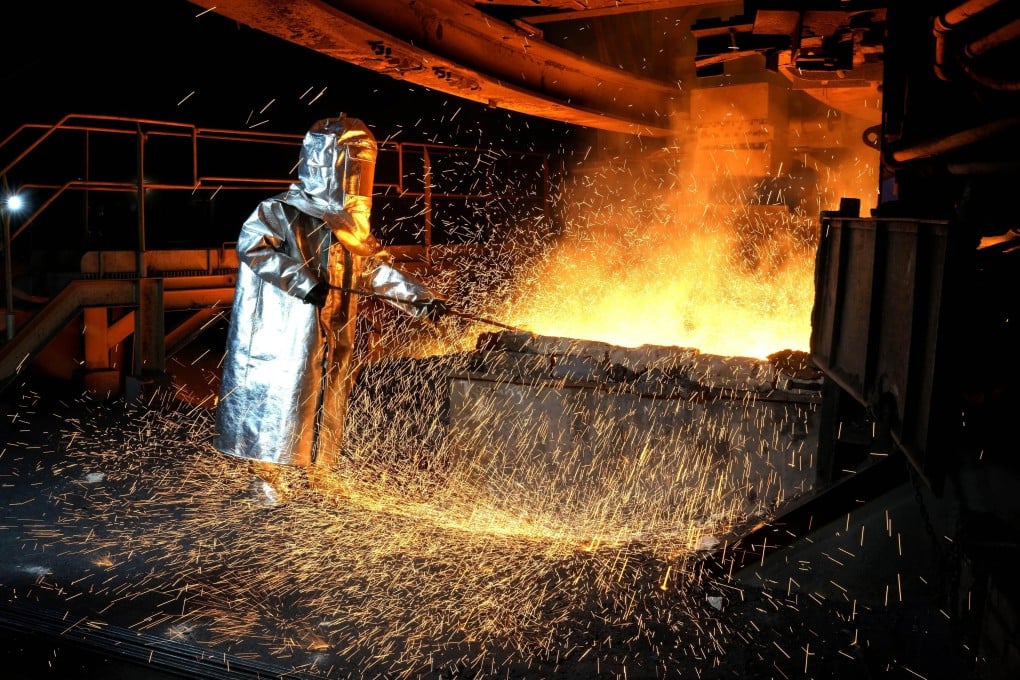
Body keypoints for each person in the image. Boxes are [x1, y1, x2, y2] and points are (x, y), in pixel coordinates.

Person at [215, 115, 448, 508]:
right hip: (283, 335)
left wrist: (420, 300)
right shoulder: (280, 211)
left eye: (363, 170)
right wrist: (304, 282)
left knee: (324, 399)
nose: (356, 181)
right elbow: (253, 248)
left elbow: (373, 271)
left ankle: (318, 474)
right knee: (274, 401)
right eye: (352, 168)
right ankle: (263, 478)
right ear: (325, 164)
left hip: (333, 330)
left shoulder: (350, 229)